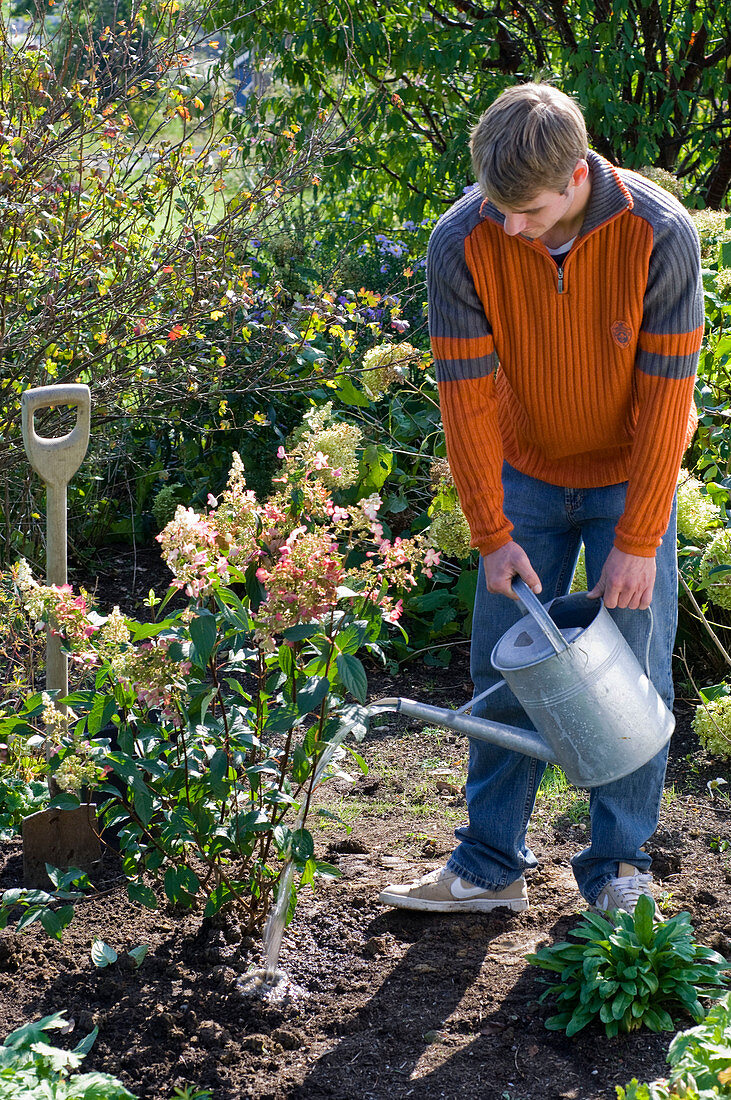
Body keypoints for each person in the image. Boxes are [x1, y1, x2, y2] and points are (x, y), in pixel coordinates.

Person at [379, 82, 703, 917]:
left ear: (574, 177)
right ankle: (489, 865)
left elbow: (669, 394)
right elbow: (465, 397)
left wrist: (637, 537)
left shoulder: (656, 233)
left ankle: (618, 869)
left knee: (633, 669)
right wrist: (490, 533)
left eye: (524, 211)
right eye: (496, 207)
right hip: (525, 471)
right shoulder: (463, 239)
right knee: (507, 659)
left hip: (631, 475)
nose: (510, 227)